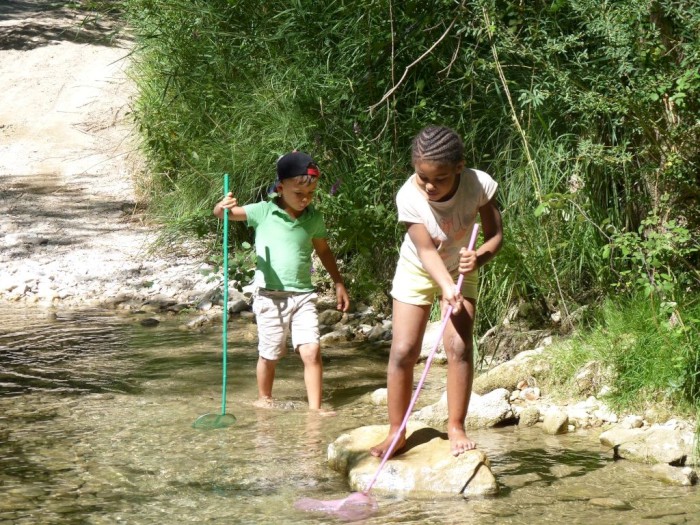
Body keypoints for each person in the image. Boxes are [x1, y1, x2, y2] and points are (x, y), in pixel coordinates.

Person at [370, 125, 503, 458]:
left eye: (439, 179)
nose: (429, 186)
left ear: (459, 167)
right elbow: (426, 251)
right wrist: (444, 287)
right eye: (422, 177)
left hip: (460, 270)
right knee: (403, 350)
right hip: (418, 268)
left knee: (458, 346)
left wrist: (480, 257)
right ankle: (396, 432)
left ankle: (456, 427)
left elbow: (495, 236)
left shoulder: (479, 184)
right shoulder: (408, 196)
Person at [213, 151, 350, 411]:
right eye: (299, 193)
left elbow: (323, 251)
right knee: (271, 353)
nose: (305, 199)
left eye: (311, 193)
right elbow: (223, 215)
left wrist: (338, 283)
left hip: (303, 296)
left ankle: (315, 409)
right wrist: (223, 206)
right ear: (280, 187)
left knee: (311, 351)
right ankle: (264, 399)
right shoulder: (263, 212)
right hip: (270, 297)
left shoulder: (313, 219)